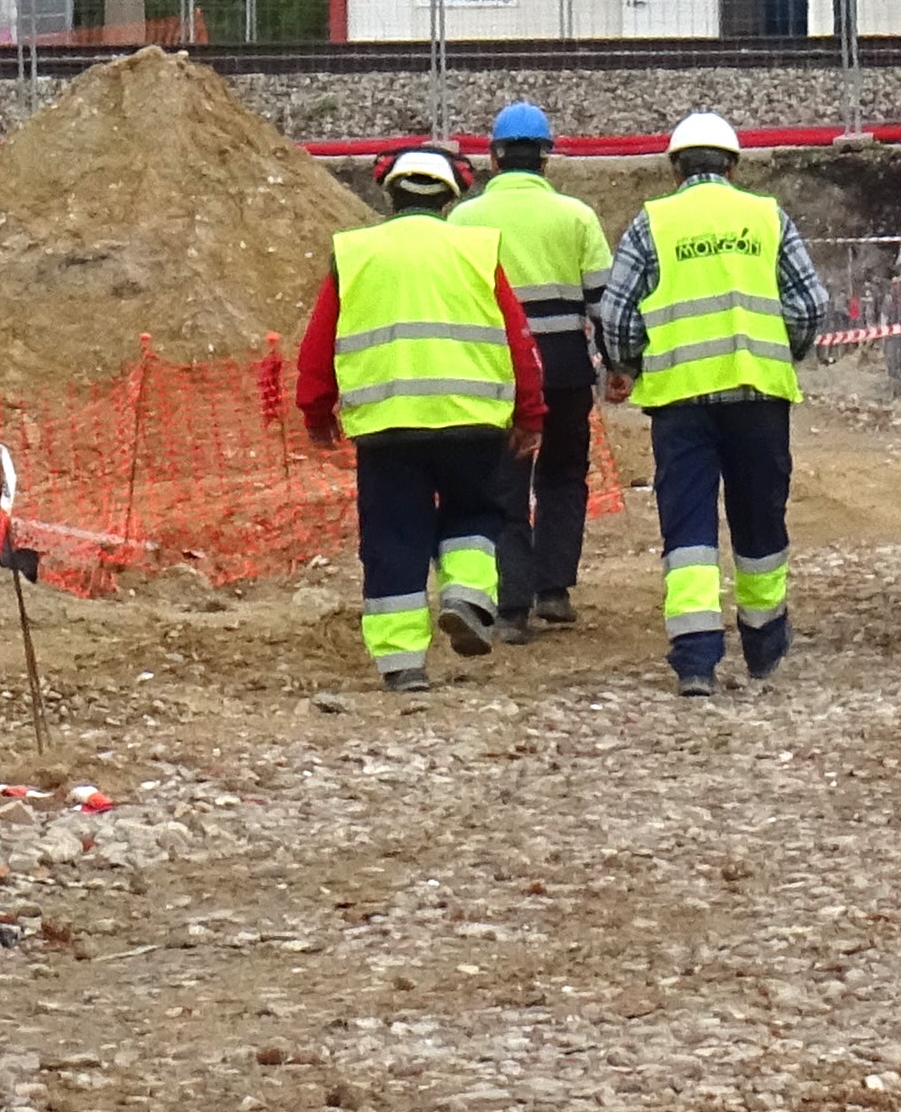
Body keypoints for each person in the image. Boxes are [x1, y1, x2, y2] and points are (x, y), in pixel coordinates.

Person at [591, 110, 830, 698]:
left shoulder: (653, 224)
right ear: (732, 164)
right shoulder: (765, 217)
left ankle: (696, 658)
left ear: (675, 167)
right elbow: (810, 304)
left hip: (681, 404)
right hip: (758, 395)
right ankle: (764, 643)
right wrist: (780, 350)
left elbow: (617, 316)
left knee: (690, 525)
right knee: (759, 517)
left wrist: (630, 365)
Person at [294, 143, 542, 692]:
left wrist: (316, 408)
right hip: (473, 419)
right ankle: (467, 597)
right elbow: (517, 337)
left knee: (392, 535)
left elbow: (320, 340)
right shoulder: (476, 250)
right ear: (452, 196)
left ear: (389, 193)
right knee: (474, 512)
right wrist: (531, 412)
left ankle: (402, 661)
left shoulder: (356, 252)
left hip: (387, 427)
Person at [450, 100, 608, 630]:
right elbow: (601, 302)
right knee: (563, 476)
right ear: (546, 159)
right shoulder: (577, 216)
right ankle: (554, 590)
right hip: (564, 370)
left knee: (503, 484)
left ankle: (511, 607)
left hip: (496, 372)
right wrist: (618, 366)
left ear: (495, 157)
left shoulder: (465, 218)